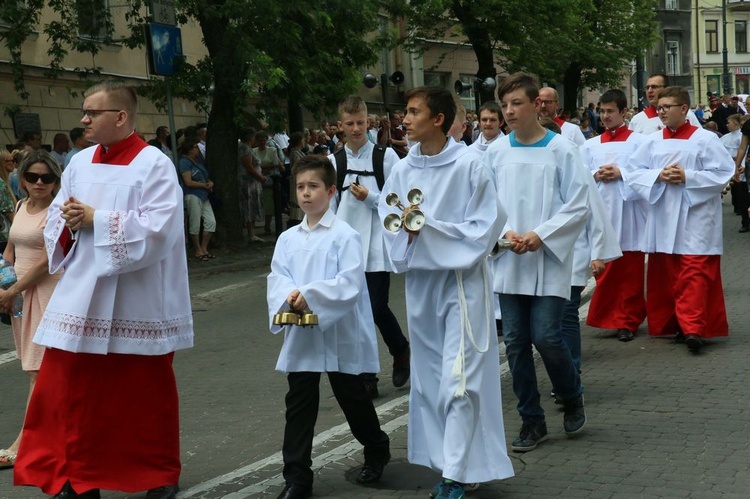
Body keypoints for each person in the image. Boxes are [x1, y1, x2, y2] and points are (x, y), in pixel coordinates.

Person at [13, 81, 193, 499]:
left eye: (92, 112)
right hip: (82, 294)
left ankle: (157, 472)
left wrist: (100, 219)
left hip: (137, 296)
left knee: (141, 393)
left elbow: (162, 228)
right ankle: (77, 473)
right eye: (84, 111)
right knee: (70, 388)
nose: (84, 119)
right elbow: (59, 217)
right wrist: (70, 222)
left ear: (121, 117)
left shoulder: (154, 164)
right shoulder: (77, 162)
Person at [379, 86, 514, 498]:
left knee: (460, 380)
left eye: (414, 111)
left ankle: (454, 475)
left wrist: (429, 227)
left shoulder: (470, 165)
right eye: (405, 111)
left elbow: (486, 226)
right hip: (422, 285)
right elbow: (390, 222)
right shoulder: (402, 169)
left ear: (438, 119)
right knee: (432, 380)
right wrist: (405, 230)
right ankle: (456, 462)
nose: (405, 118)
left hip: (461, 283)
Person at [267, 155, 390, 499]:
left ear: (332, 190)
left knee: (352, 398)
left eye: (313, 186)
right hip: (302, 332)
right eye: (301, 187)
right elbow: (277, 275)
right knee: (300, 403)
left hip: (339, 331)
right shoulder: (289, 238)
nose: (305, 194)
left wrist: (309, 294)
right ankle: (297, 478)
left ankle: (377, 447)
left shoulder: (345, 235)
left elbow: (349, 283)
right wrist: (289, 296)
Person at [485, 72, 589, 453]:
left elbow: (578, 203)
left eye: (517, 104)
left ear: (536, 106)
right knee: (514, 342)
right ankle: (532, 419)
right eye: (505, 104)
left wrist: (541, 234)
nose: (509, 111)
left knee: (546, 335)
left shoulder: (561, 150)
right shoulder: (496, 152)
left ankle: (571, 392)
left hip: (547, 257)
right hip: (511, 258)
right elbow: (488, 204)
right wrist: (509, 231)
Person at [623, 86, 733, 353]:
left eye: (667, 107)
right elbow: (632, 173)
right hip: (664, 214)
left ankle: (694, 328)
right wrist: (658, 176)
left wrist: (688, 177)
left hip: (696, 215)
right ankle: (676, 324)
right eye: (659, 108)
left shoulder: (705, 139)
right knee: (671, 272)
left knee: (694, 271)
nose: (661, 112)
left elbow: (723, 172)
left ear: (684, 109)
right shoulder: (651, 141)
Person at [331, 96, 410, 398]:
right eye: (349, 124)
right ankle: (367, 376)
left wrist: (371, 198)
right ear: (340, 126)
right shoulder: (334, 162)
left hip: (376, 245)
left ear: (369, 122)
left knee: (376, 308)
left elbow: (397, 201)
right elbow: (331, 207)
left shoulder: (385, 157)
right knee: (354, 313)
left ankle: (400, 349)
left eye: (360, 123)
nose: (355, 129)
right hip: (346, 247)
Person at [0, 150, 62, 471]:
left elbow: (49, 261)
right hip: (19, 297)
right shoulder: (22, 207)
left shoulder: (58, 212)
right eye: (33, 177)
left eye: (46, 178)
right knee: (33, 369)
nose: (39, 183)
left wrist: (12, 290)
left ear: (55, 180)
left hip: (46, 293)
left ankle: (23, 444)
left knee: (39, 370)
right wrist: (3, 284)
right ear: (22, 179)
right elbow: (10, 249)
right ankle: (51, 438)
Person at [583, 89, 649, 341]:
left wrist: (622, 173)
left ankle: (628, 321)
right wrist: (595, 175)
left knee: (630, 270)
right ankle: (610, 316)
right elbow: (579, 176)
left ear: (624, 112)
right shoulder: (590, 145)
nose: (605, 116)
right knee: (605, 269)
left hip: (630, 212)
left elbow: (646, 173)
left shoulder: (640, 142)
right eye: (602, 111)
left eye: (611, 111)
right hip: (602, 212)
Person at [178, 139, 216, 260]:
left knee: (211, 222)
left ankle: (204, 247)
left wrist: (209, 183)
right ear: (189, 149)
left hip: (204, 195)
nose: (197, 149)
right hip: (193, 195)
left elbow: (205, 177)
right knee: (195, 223)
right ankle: (198, 249)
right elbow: (188, 182)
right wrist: (204, 185)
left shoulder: (198, 161)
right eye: (195, 147)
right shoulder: (184, 162)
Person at [629, 73, 701, 134]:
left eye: (654, 87)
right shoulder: (637, 120)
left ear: (666, 88)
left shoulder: (685, 114)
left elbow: (698, 137)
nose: (649, 91)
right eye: (647, 87)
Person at [254, 131, 284, 237]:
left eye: (264, 140)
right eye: (260, 140)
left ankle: (267, 225)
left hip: (270, 180)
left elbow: (275, 164)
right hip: (256, 179)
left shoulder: (272, 150)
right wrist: (263, 167)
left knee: (268, 204)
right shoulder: (254, 151)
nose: (262, 142)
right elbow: (252, 165)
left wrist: (261, 167)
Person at [721, 114, 749, 231]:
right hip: (747, 165)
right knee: (744, 195)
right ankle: (745, 222)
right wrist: (738, 166)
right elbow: (743, 148)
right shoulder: (748, 127)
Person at [238, 128, 266, 243]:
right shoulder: (245, 148)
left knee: (250, 206)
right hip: (249, 183)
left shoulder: (244, 148)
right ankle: (251, 233)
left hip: (250, 182)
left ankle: (252, 232)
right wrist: (261, 178)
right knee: (249, 206)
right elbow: (249, 167)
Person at [286, 131, 306, 228]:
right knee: (297, 201)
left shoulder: (298, 152)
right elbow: (298, 167)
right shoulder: (295, 153)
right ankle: (296, 221)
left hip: (300, 179)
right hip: (297, 180)